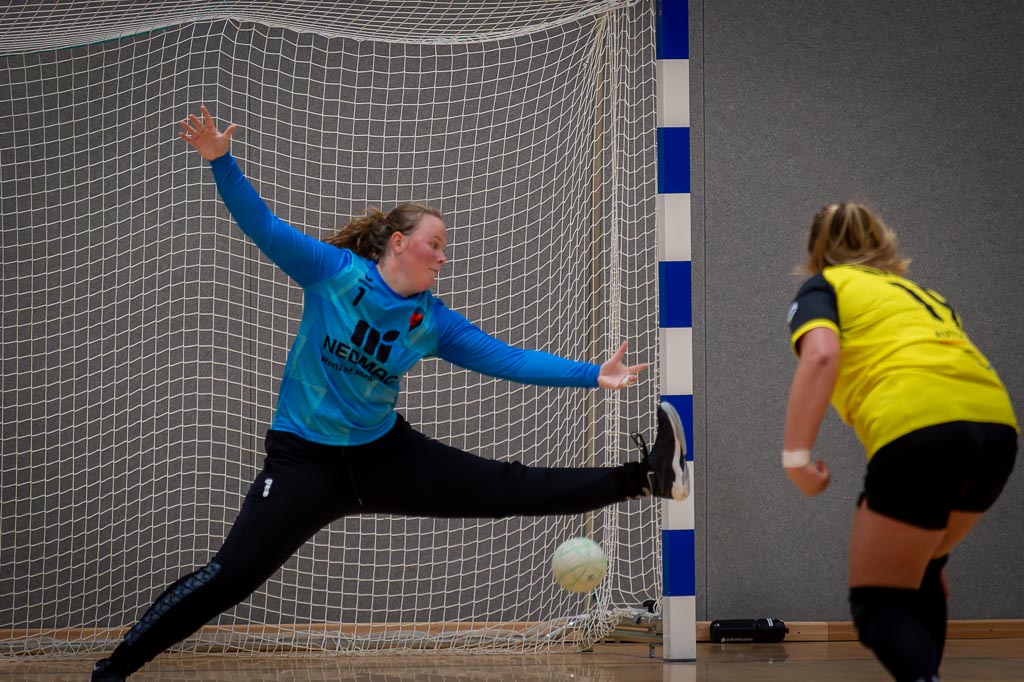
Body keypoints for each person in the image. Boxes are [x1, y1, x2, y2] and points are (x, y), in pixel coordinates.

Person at [90, 105, 690, 681]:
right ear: (398, 243)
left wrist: (592, 374)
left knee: (507, 487)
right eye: (435, 243)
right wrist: (221, 160)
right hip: (304, 461)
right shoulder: (332, 274)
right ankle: (113, 670)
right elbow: (264, 227)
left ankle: (646, 478)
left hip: (383, 456)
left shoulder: (432, 321)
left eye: (446, 248)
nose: (443, 257)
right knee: (230, 576)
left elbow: (507, 359)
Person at [781, 202, 1018, 682]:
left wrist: (796, 459)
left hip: (922, 430)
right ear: (883, 239)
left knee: (877, 603)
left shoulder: (826, 286)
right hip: (998, 433)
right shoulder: (924, 295)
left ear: (816, 250)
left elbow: (821, 355)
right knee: (923, 571)